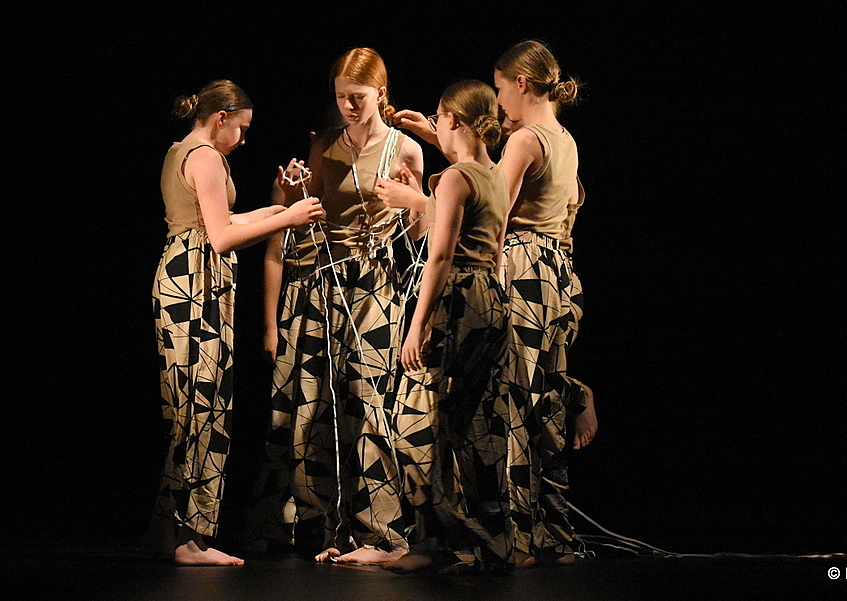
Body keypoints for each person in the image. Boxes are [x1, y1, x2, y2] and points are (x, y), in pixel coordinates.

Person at [393, 40, 599, 567]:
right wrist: (440, 135)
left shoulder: (526, 139)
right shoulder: (564, 138)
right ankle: (550, 533)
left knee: (511, 403)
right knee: (539, 398)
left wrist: (419, 201)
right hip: (555, 270)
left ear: (521, 84)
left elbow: (488, 210)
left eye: (502, 88)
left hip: (522, 268)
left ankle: (514, 536)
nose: (500, 101)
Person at [251, 48, 424, 564]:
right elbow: (302, 220)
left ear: (381, 93)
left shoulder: (406, 149)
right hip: (321, 284)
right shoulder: (325, 145)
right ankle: (310, 524)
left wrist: (415, 197)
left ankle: (380, 531)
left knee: (369, 404)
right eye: (341, 97)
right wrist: (290, 192)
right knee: (310, 406)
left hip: (373, 286)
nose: (349, 105)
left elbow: (419, 235)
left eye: (358, 97)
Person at [146, 80, 325, 566]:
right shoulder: (205, 155)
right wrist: (287, 220)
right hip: (195, 283)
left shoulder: (183, 149)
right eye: (241, 129)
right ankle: (191, 539)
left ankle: (166, 531)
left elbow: (221, 220)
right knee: (201, 408)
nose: (244, 140)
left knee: (188, 407)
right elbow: (222, 237)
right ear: (221, 117)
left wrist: (281, 206)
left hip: (187, 274)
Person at [382, 80, 512, 574]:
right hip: (490, 300)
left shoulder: (456, 178)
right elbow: (493, 248)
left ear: (453, 120)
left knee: (412, 424)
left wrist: (418, 325)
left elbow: (439, 255)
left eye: (439, 117)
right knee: (473, 427)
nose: (436, 124)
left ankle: (437, 542)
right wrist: (430, 132)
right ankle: (493, 544)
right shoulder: (494, 175)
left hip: (456, 299)